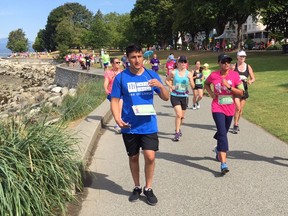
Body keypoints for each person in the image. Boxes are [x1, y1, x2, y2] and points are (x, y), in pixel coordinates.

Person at [110, 44, 169, 205]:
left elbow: (166, 97)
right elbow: (114, 100)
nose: (137, 60)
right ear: (127, 59)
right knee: (134, 157)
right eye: (133, 57)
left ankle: (148, 188)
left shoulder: (151, 74)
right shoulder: (121, 78)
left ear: (143, 57)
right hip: (129, 125)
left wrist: (160, 86)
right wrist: (117, 118)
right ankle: (137, 187)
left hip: (148, 124)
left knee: (150, 156)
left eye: (139, 56)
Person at [204, 54, 244, 175]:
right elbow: (206, 83)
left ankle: (218, 148)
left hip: (229, 107)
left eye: (228, 62)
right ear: (219, 63)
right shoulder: (214, 75)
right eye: (223, 62)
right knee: (222, 133)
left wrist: (230, 87)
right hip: (217, 106)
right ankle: (223, 163)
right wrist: (211, 93)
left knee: (224, 132)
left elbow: (241, 92)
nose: (226, 64)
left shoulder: (235, 75)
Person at [165, 56, 195, 141]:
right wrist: (171, 86)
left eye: (184, 62)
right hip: (175, 95)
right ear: (177, 63)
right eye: (181, 62)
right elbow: (166, 80)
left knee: (182, 117)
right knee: (178, 114)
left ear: (186, 63)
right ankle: (177, 133)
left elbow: (193, 86)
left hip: (184, 96)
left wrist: (191, 79)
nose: (183, 63)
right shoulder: (174, 72)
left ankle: (178, 128)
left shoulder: (189, 74)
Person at [231, 50, 255, 134]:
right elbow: (229, 76)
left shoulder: (248, 67)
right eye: (241, 56)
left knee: (240, 109)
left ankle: (237, 123)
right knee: (237, 107)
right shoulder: (234, 66)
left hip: (244, 89)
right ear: (237, 57)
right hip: (236, 90)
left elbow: (253, 78)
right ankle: (235, 124)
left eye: (244, 56)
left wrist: (250, 81)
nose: (242, 58)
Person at [103, 57, 123, 133]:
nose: (118, 64)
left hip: (120, 93)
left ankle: (118, 124)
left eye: (119, 62)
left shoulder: (122, 72)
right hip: (112, 93)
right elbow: (106, 82)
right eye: (116, 63)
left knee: (120, 106)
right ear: (112, 64)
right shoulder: (108, 72)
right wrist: (106, 89)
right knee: (115, 109)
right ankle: (118, 122)